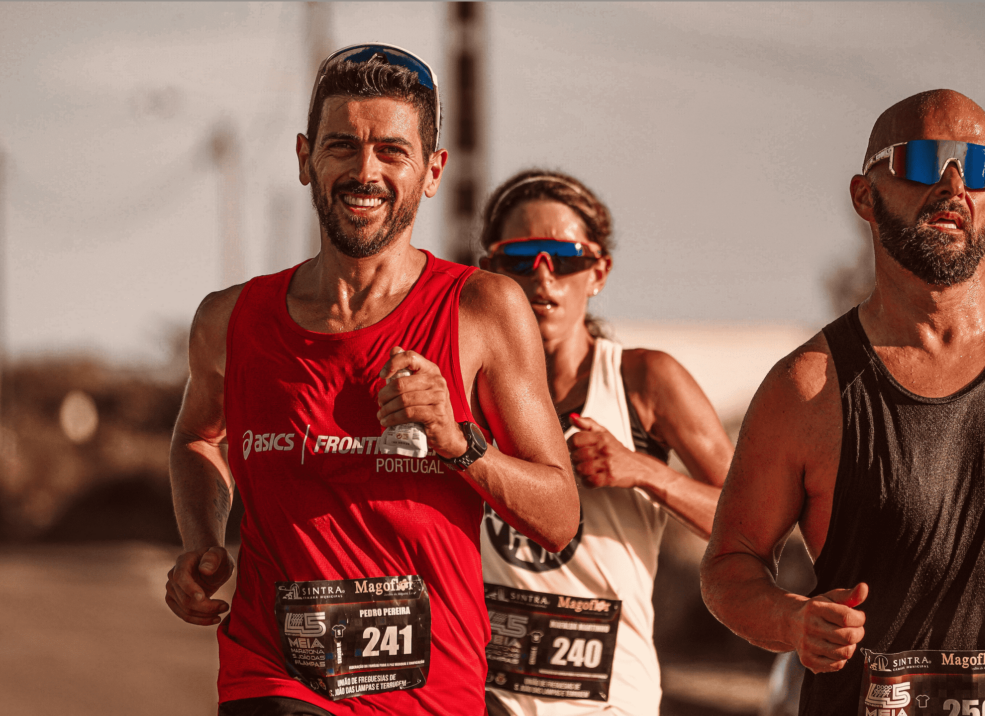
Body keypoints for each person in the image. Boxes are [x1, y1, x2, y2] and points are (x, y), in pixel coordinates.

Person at [164, 44, 579, 716]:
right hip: (273, 679)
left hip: (430, 695)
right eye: (341, 147)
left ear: (433, 170)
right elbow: (196, 435)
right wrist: (203, 541)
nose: (365, 171)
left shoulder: (482, 309)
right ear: (305, 159)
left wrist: (458, 440)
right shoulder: (230, 318)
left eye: (392, 150)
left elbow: (560, 516)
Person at [700, 89, 985, 715]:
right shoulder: (807, 388)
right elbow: (729, 567)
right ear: (865, 196)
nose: (955, 185)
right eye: (926, 162)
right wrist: (792, 621)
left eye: (979, 168)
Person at [477, 170, 734, 715]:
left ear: (598, 272)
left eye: (564, 257)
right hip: (485, 699)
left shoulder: (644, 382)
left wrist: (643, 470)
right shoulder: (460, 386)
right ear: (491, 272)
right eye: (522, 258)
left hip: (610, 701)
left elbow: (756, 523)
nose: (543, 277)